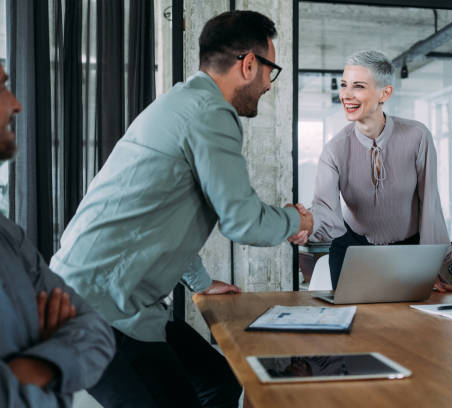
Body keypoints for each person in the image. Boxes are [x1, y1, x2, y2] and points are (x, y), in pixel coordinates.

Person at [49, 10, 313, 408]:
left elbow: (162, 216)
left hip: (105, 300)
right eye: (269, 73)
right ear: (248, 64)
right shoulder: (211, 115)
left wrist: (201, 283)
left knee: (218, 381)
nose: (267, 87)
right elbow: (243, 221)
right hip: (99, 313)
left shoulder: (182, 103)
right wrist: (297, 219)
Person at [0, 28, 115, 407]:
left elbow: (94, 327)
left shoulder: (1, 231)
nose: (16, 104)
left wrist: (40, 365)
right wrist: (55, 360)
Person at [289, 50, 452, 291]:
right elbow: (327, 211)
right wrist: (305, 225)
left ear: (384, 93)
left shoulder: (417, 136)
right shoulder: (334, 149)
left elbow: (430, 202)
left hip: (408, 251)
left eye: (358, 86)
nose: (346, 94)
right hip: (352, 250)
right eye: (344, 85)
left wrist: (431, 264)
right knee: (358, 325)